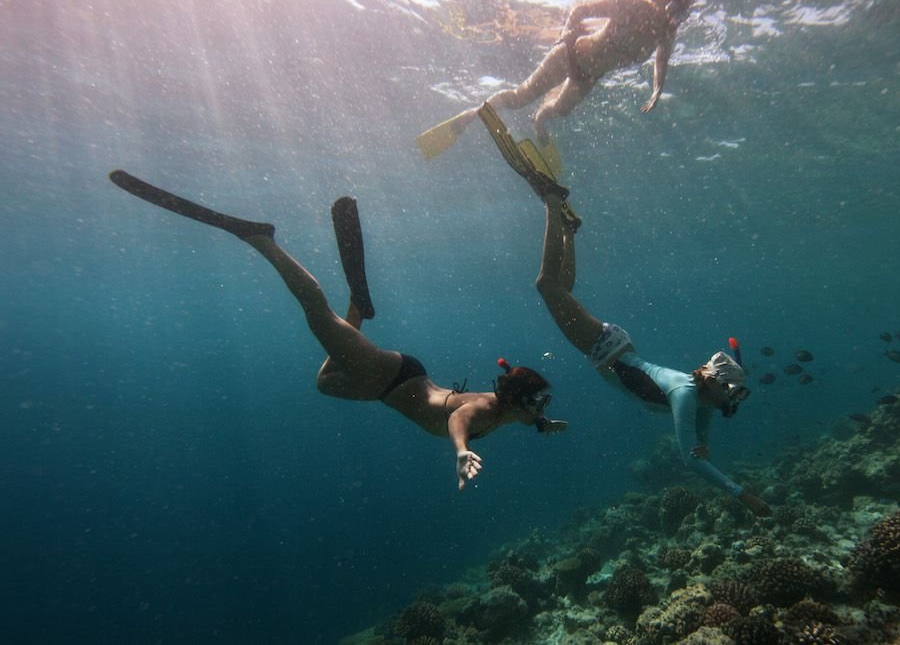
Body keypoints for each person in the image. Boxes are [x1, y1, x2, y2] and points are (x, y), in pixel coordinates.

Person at [107, 170, 566, 491]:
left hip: (397, 380)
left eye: (541, 405)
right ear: (514, 400)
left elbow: (503, 413)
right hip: (389, 380)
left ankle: (359, 308)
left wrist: (541, 424)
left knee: (325, 382)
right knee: (314, 311)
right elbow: (458, 418)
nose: (541, 409)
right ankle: (261, 239)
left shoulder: (510, 412)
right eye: (539, 403)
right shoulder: (487, 410)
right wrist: (461, 451)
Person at [476, 111, 771, 517]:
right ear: (714, 382)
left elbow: (701, 447)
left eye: (735, 395)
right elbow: (691, 458)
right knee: (547, 286)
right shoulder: (687, 394)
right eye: (732, 391)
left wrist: (714, 444)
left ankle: (568, 229)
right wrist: (740, 493)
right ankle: (551, 200)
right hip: (604, 348)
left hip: (611, 348)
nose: (733, 399)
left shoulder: (703, 403)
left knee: (563, 290)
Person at [416, 0, 699, 159]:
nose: (675, 17)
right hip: (571, 54)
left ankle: (538, 124)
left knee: (558, 112)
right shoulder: (632, 5)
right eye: (676, 7)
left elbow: (662, 61)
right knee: (520, 97)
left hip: (588, 76)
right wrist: (565, 36)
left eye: (681, 13)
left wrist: (657, 89)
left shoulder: (666, 33)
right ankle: (471, 115)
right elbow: (580, 10)